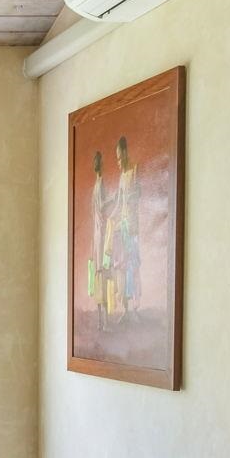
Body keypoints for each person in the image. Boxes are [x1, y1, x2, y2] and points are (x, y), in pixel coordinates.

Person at [111, 135, 142, 322]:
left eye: (119, 158)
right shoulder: (122, 177)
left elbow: (138, 196)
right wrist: (111, 219)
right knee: (122, 269)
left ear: (125, 153)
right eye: (116, 159)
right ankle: (125, 309)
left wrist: (130, 200)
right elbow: (119, 203)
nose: (118, 162)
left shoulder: (135, 171)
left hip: (133, 228)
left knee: (133, 267)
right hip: (122, 228)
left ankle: (135, 308)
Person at [86, 148, 111, 329]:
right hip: (99, 232)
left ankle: (102, 320)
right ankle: (103, 321)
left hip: (99, 232)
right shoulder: (99, 184)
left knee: (100, 273)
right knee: (101, 273)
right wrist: (113, 199)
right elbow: (101, 207)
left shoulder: (97, 185)